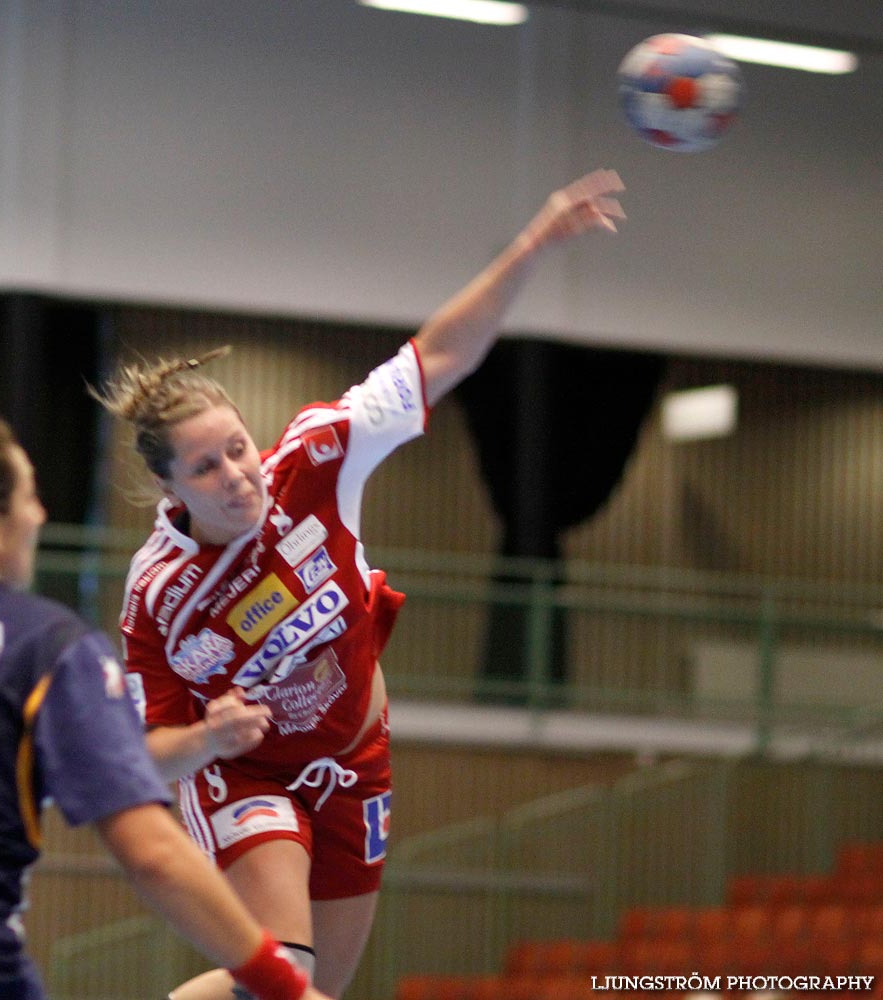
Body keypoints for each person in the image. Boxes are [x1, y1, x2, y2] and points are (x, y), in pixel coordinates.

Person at [93, 169, 626, 1000]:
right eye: (206, 466)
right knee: (287, 976)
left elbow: (439, 356)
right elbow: (139, 759)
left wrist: (533, 245)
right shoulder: (160, 593)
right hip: (250, 776)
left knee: (313, 995)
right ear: (171, 490)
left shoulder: (315, 459)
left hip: (357, 761)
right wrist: (207, 740)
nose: (237, 474)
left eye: (236, 445)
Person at [0, 411, 333, 1000]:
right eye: (31, 497)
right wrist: (286, 987)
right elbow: (152, 853)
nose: (41, 516)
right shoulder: (44, 645)